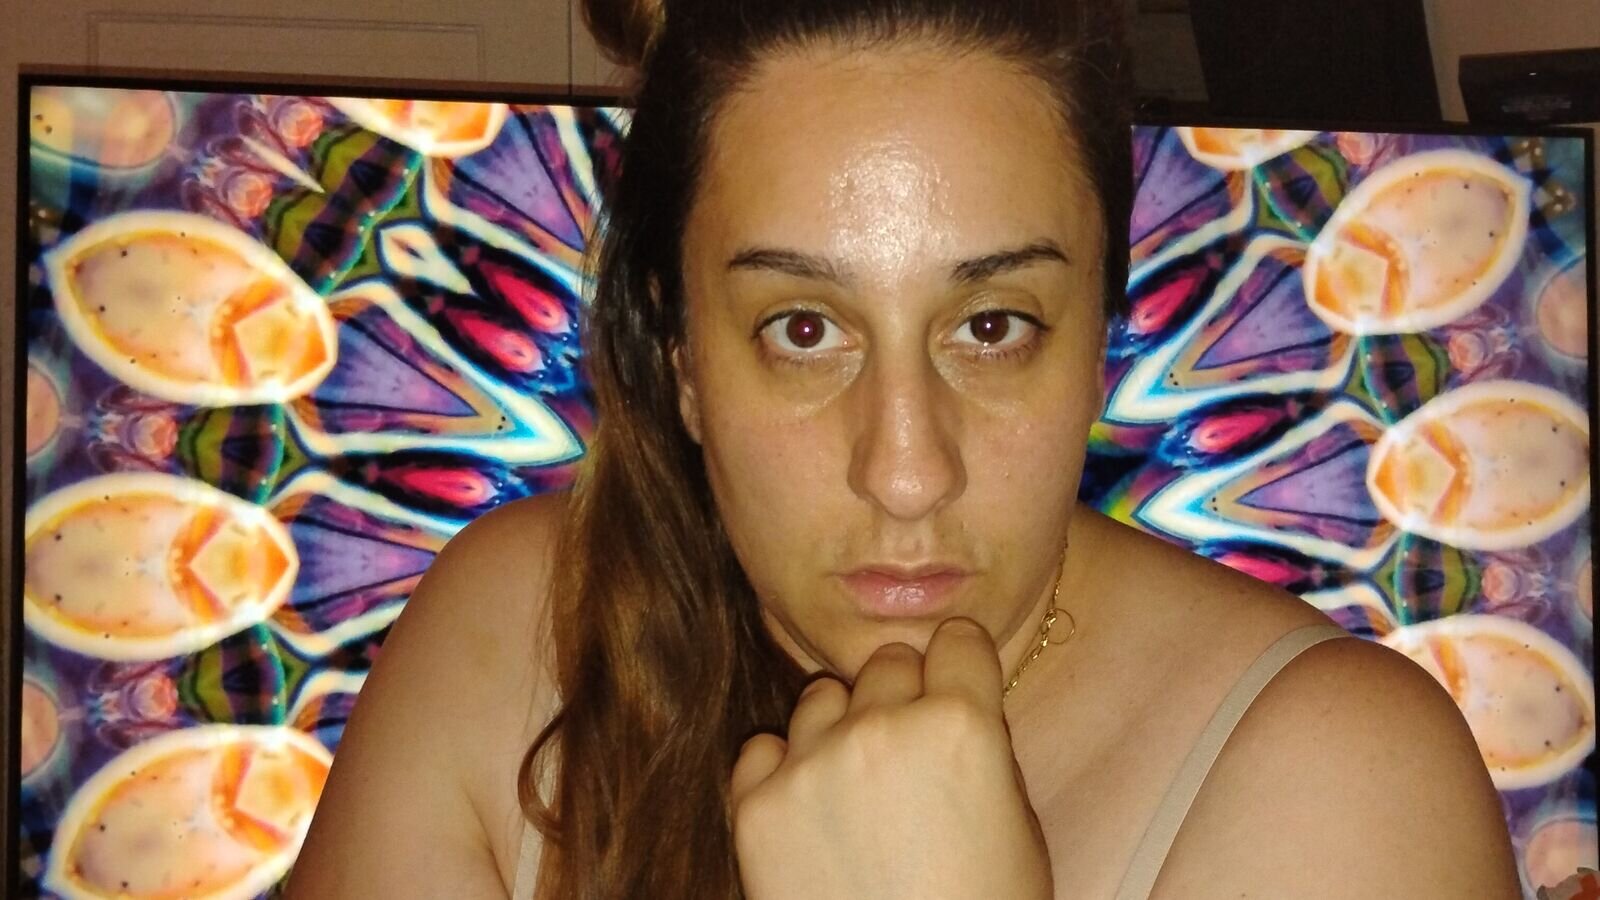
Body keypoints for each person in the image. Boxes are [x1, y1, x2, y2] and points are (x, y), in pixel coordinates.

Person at [286, 0, 1521, 897]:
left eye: (990, 327)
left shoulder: (1344, 783)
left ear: (1099, 341)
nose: (907, 471)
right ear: (683, 361)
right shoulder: (519, 642)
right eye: (803, 329)